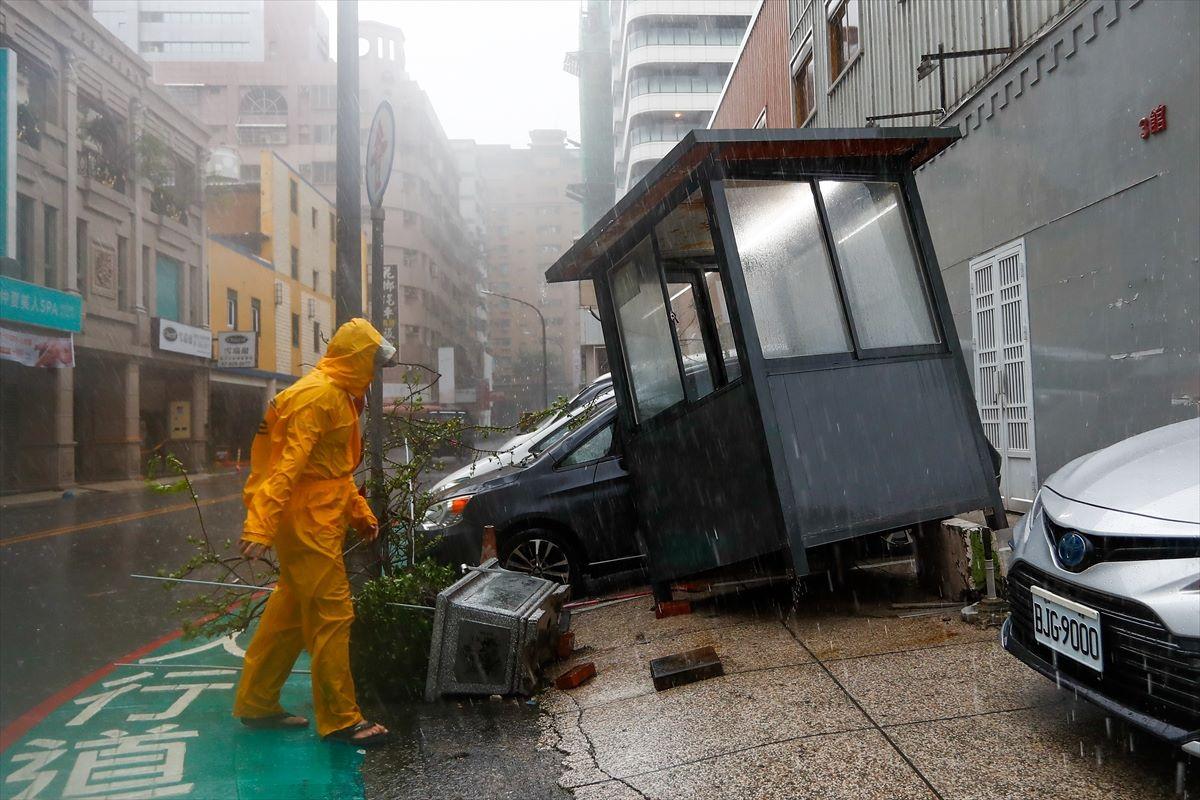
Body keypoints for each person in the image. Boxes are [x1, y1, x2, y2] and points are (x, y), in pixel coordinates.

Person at [233, 317, 396, 747]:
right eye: (373, 361)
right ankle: (342, 719)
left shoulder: (335, 396)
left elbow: (331, 471)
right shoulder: (319, 397)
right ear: (358, 358)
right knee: (332, 614)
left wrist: (359, 512)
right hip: (307, 522)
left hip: (315, 517)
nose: (376, 372)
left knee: (289, 614)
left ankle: (257, 700)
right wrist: (260, 524)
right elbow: (287, 467)